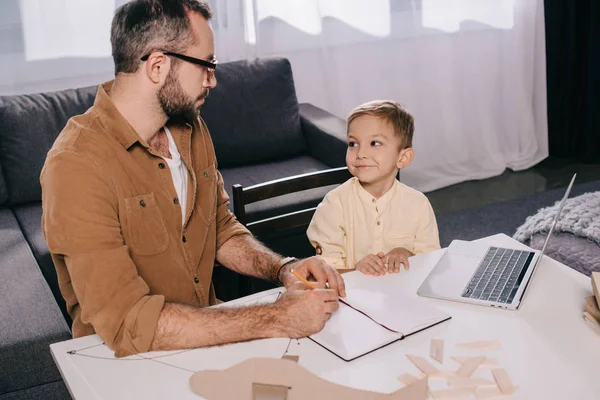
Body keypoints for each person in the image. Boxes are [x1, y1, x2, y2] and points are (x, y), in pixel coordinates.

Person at [40, 0, 345, 358]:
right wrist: (277, 317)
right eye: (206, 65)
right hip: (125, 363)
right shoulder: (75, 166)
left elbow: (219, 229)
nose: (212, 80)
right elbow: (128, 322)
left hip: (205, 336)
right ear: (157, 66)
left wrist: (284, 268)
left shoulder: (191, 127)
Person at [307, 100, 440, 276]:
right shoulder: (334, 204)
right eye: (353, 144)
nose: (360, 153)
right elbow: (323, 272)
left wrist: (408, 254)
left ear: (403, 158)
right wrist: (356, 270)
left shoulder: (419, 204)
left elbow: (432, 263)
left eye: (375, 143)